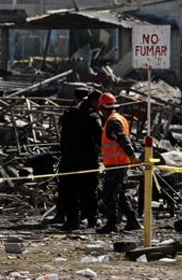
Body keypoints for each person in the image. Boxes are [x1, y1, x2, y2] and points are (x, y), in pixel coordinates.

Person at [57, 89, 101, 231]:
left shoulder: (69, 113)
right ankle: (92, 219)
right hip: (87, 159)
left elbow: (63, 138)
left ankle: (72, 221)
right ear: (95, 101)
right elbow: (99, 139)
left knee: (71, 191)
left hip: (69, 158)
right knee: (89, 191)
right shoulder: (93, 116)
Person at [96, 92, 140, 234]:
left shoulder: (113, 121)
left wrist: (132, 155)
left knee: (109, 194)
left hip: (116, 164)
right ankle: (132, 221)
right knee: (119, 194)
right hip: (119, 163)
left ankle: (112, 224)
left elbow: (123, 139)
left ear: (102, 108)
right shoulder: (120, 118)